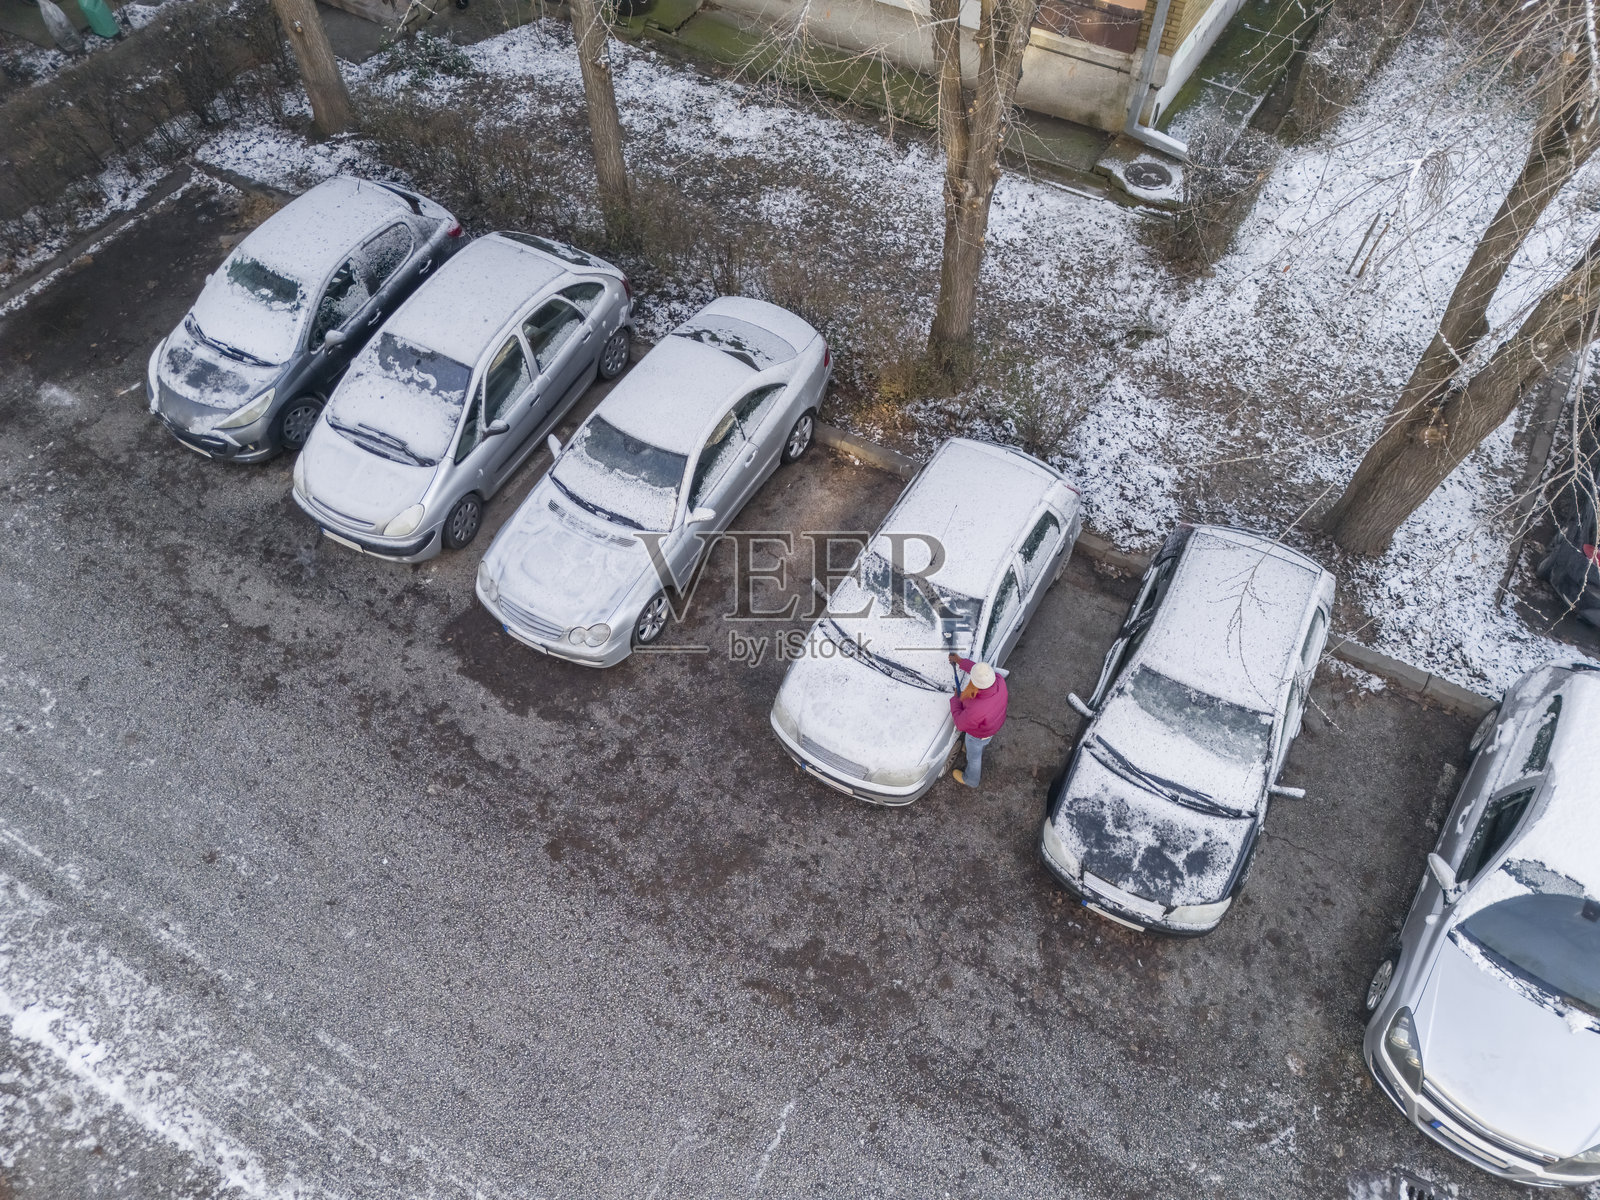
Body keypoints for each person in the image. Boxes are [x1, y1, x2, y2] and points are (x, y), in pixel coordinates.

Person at [947, 654, 1007, 789]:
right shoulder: (998, 680)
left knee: (974, 757)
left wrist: (956, 700)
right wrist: (960, 661)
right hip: (993, 725)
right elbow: (979, 671)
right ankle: (971, 748)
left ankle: (971, 780)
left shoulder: (977, 708)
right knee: (979, 743)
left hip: (978, 734)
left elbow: (960, 724)